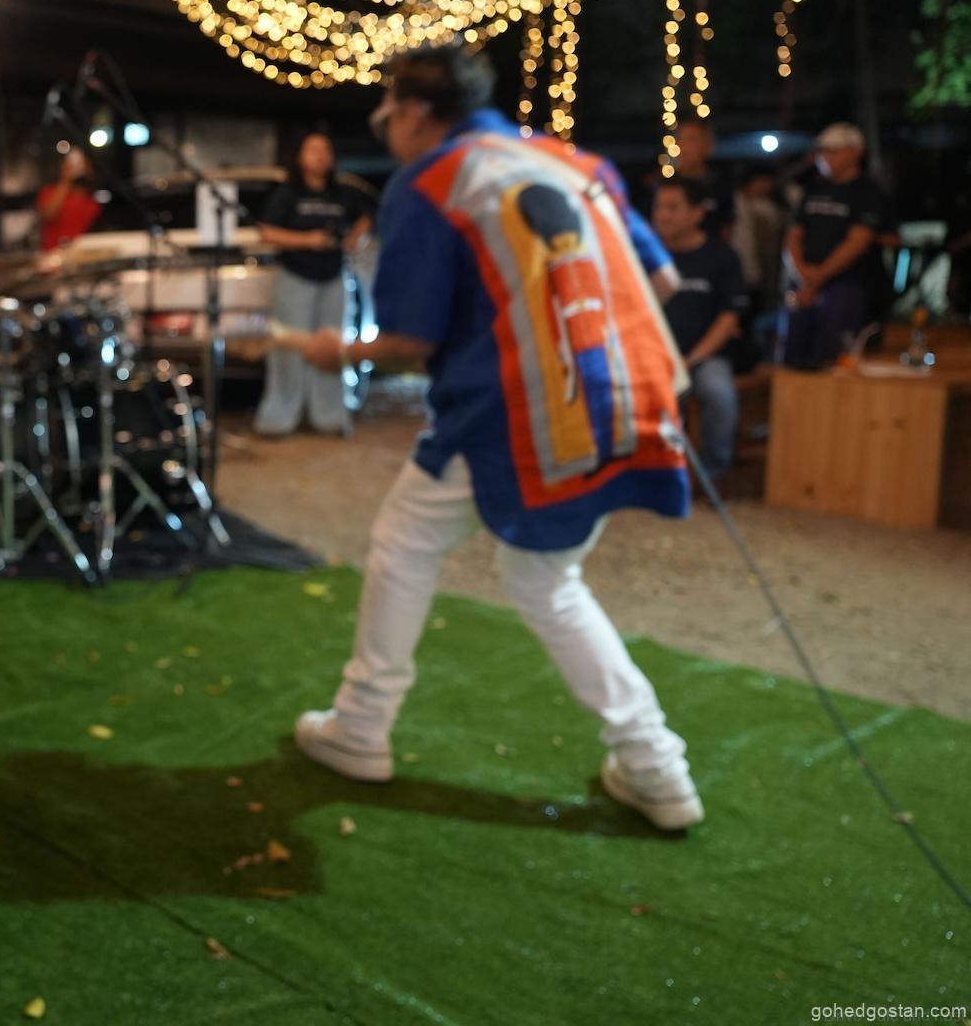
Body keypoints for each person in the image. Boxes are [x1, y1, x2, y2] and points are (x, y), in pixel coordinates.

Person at [289, 42, 704, 832]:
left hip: (516, 413)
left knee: (408, 544)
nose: (386, 128)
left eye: (386, 112)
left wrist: (334, 351)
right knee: (545, 578)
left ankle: (362, 726)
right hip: (621, 395)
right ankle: (657, 768)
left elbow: (409, 339)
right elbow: (662, 279)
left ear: (416, 110)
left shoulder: (434, 179)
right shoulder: (576, 161)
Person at [253, 132, 371, 437]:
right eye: (313, 150)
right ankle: (278, 418)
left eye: (325, 150)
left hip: (333, 277)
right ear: (300, 157)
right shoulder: (288, 193)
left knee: (333, 347)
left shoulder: (342, 192)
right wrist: (307, 240)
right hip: (295, 276)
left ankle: (329, 417)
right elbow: (266, 232)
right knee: (288, 348)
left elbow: (367, 216)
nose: (320, 156)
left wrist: (355, 238)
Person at [654, 178, 749, 485]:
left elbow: (729, 318)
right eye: (659, 207)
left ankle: (711, 477)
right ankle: (659, 475)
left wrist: (690, 360)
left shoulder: (722, 256)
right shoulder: (647, 255)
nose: (663, 216)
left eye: (673, 208)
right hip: (654, 357)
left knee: (719, 395)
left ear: (697, 213)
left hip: (705, 357)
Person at [781, 123, 890, 367]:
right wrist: (801, 273)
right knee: (792, 356)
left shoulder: (868, 192)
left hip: (846, 284)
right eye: (823, 151)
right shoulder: (812, 189)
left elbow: (858, 241)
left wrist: (818, 277)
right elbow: (793, 236)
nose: (826, 157)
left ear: (855, 152)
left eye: (834, 151)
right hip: (803, 284)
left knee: (832, 359)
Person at [728, 166, 785, 357]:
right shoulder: (734, 201)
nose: (764, 186)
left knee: (756, 319)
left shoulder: (769, 207)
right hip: (737, 269)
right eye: (760, 180)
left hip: (762, 273)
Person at [36, 147, 103, 251]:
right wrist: (66, 180)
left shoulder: (91, 199)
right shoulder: (50, 192)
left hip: (81, 251)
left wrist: (88, 175)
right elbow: (48, 214)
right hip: (53, 252)